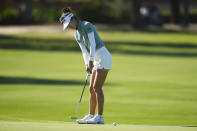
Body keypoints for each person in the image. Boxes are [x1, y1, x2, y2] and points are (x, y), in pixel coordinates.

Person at [59, 7, 112, 124]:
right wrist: (87, 63)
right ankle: (91, 115)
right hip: (95, 59)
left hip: (103, 56)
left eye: (68, 24)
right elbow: (84, 51)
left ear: (72, 18)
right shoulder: (76, 35)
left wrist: (91, 60)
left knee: (97, 88)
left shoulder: (87, 25)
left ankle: (99, 117)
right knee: (91, 89)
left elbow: (92, 44)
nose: (69, 26)